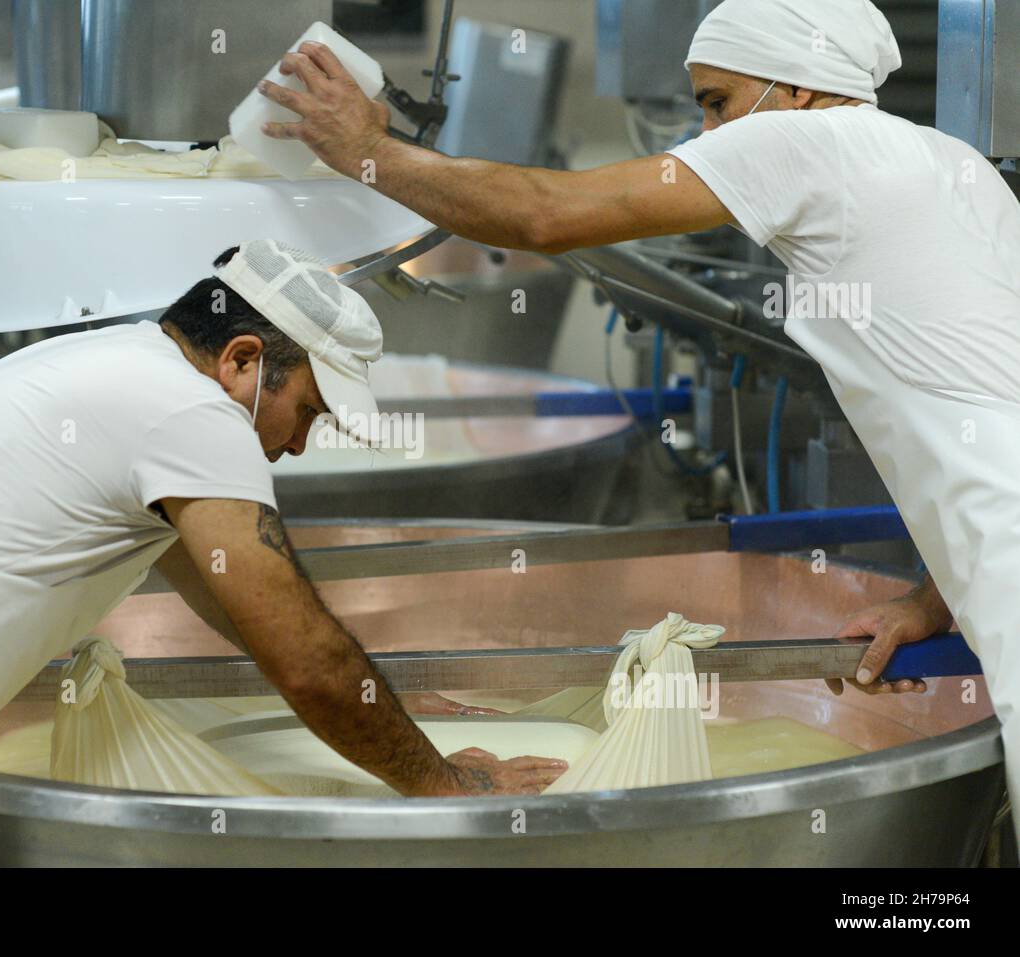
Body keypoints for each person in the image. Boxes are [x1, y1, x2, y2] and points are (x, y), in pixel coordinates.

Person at [258, 0, 1020, 837]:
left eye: (718, 102)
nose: (703, 132)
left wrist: (369, 152)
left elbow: (544, 214)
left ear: (797, 90)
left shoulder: (805, 143)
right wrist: (933, 597)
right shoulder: (951, 164)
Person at [0, 239, 566, 866]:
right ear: (242, 362)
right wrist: (441, 787)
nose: (300, 446)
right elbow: (305, 659)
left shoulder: (120, 370)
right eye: (306, 411)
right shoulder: (195, 416)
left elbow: (252, 612)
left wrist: (406, 707)